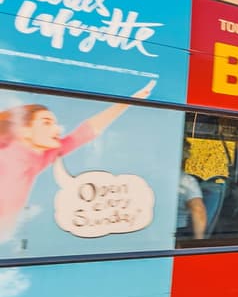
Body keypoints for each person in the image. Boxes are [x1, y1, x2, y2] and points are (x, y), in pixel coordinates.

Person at [0, 81, 154, 243]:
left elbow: (85, 132)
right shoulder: (7, 158)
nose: (57, 129)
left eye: (54, 123)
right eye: (46, 122)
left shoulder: (40, 156)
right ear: (24, 131)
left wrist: (129, 101)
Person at [178, 140, 207, 239]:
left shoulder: (154, 176)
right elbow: (198, 209)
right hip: (178, 232)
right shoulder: (187, 181)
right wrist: (198, 241)